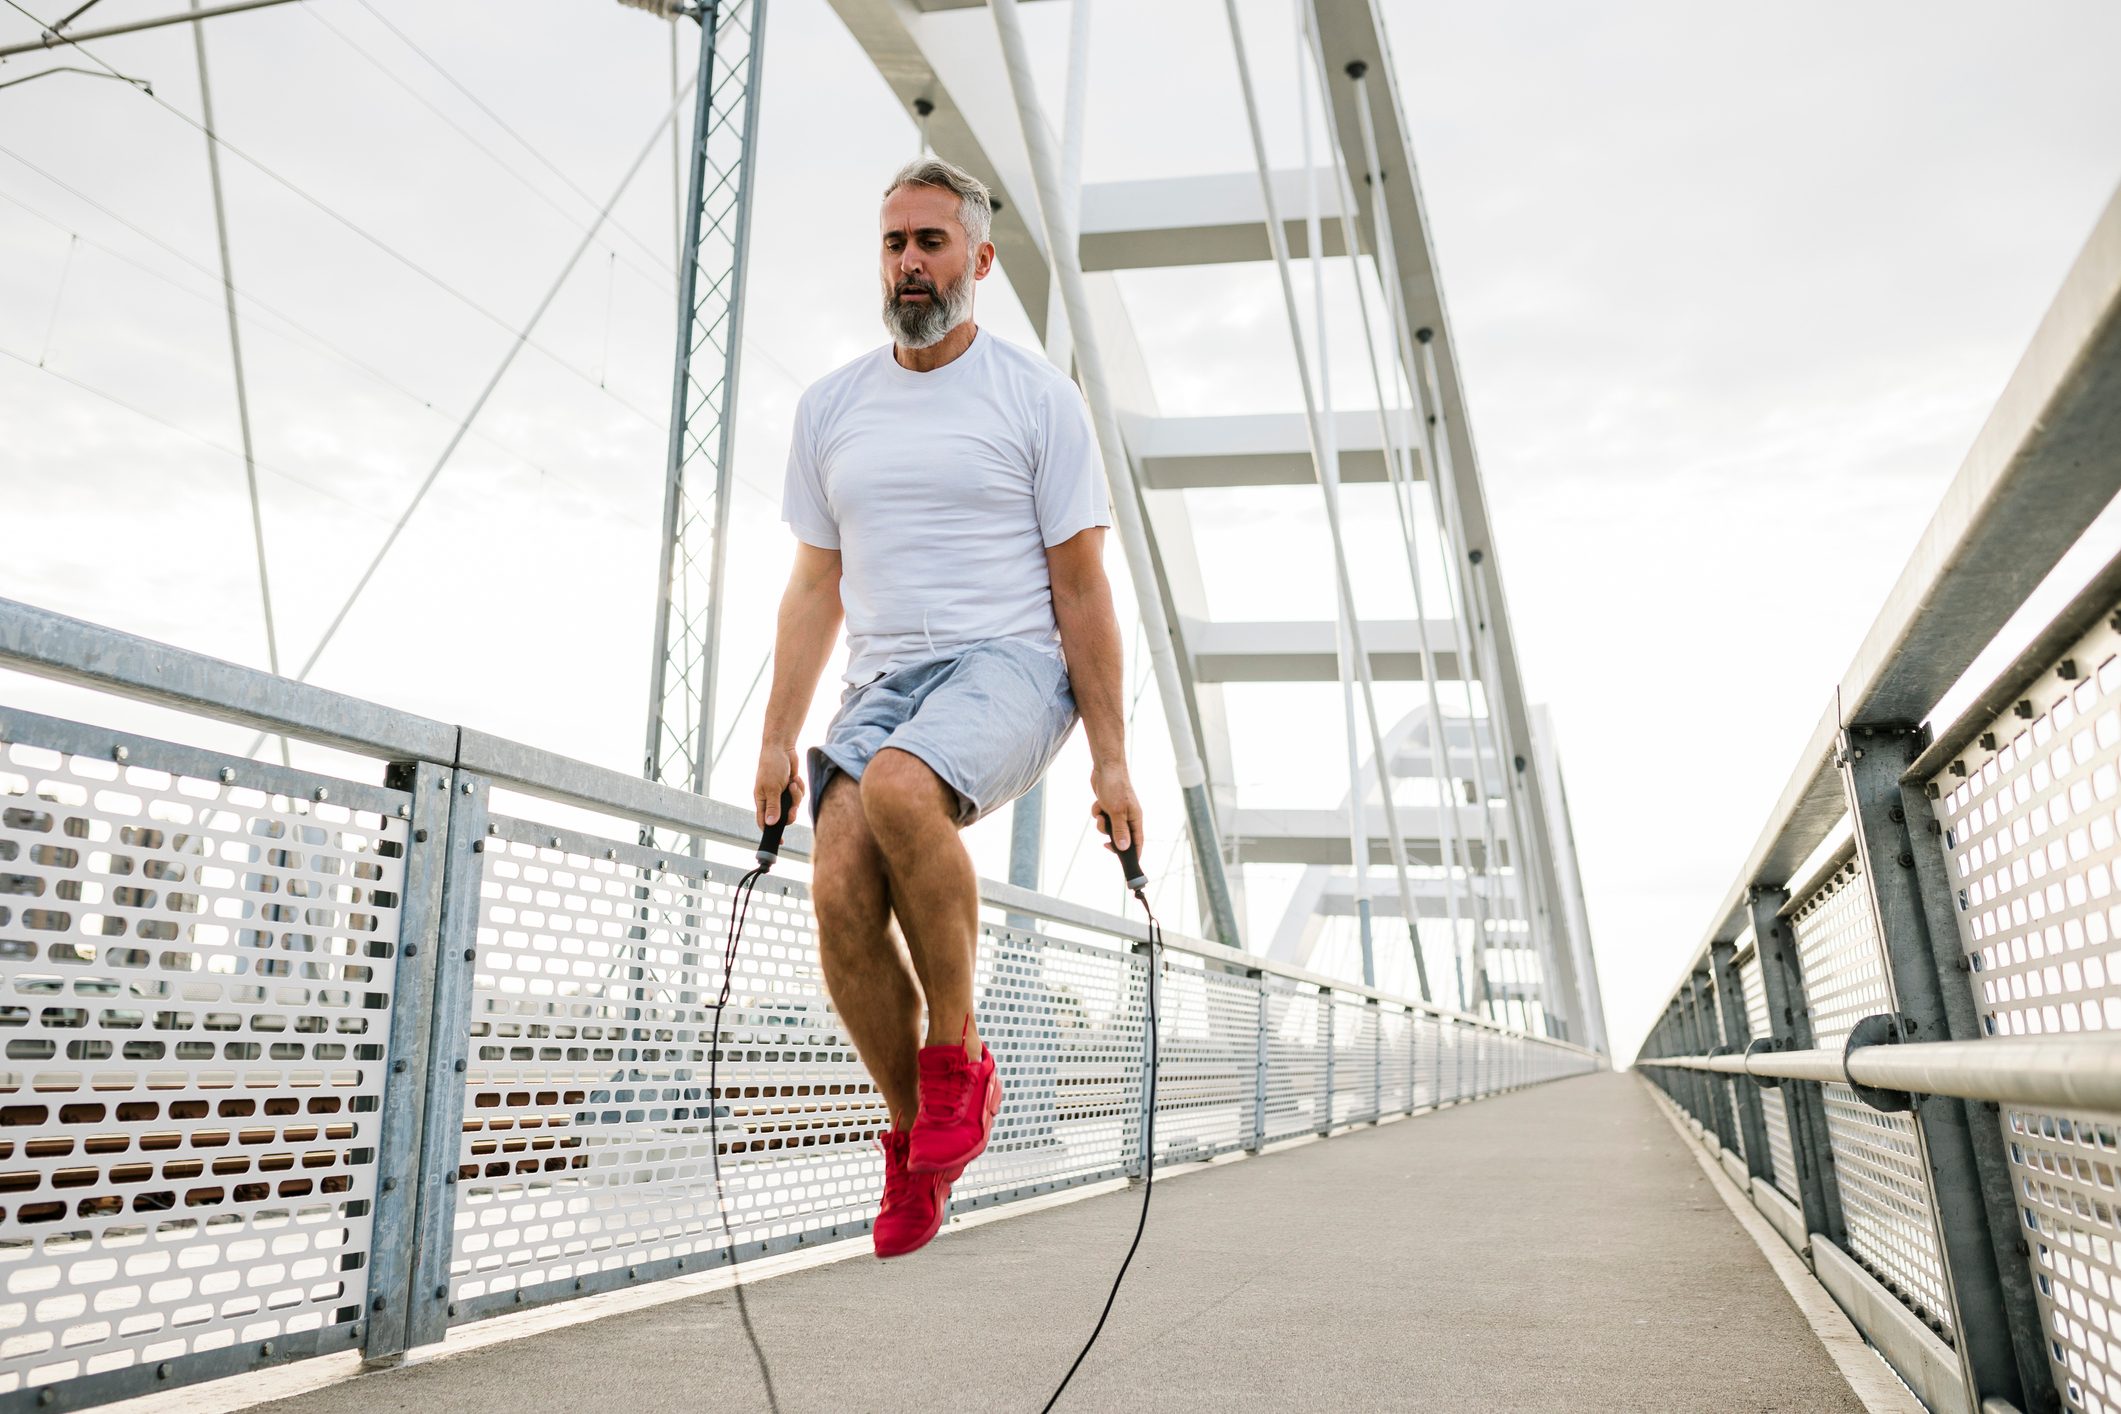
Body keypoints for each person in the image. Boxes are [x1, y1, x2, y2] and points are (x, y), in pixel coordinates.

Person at [752, 156, 1143, 1260]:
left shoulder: (1037, 399)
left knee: (897, 786)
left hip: (1010, 664)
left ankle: (959, 1056)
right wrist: (780, 739)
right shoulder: (830, 409)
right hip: (881, 682)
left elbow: (1081, 585)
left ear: (977, 257)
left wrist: (1111, 760)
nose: (909, 263)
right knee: (834, 878)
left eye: (930, 242)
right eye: (893, 243)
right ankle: (914, 1132)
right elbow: (815, 587)